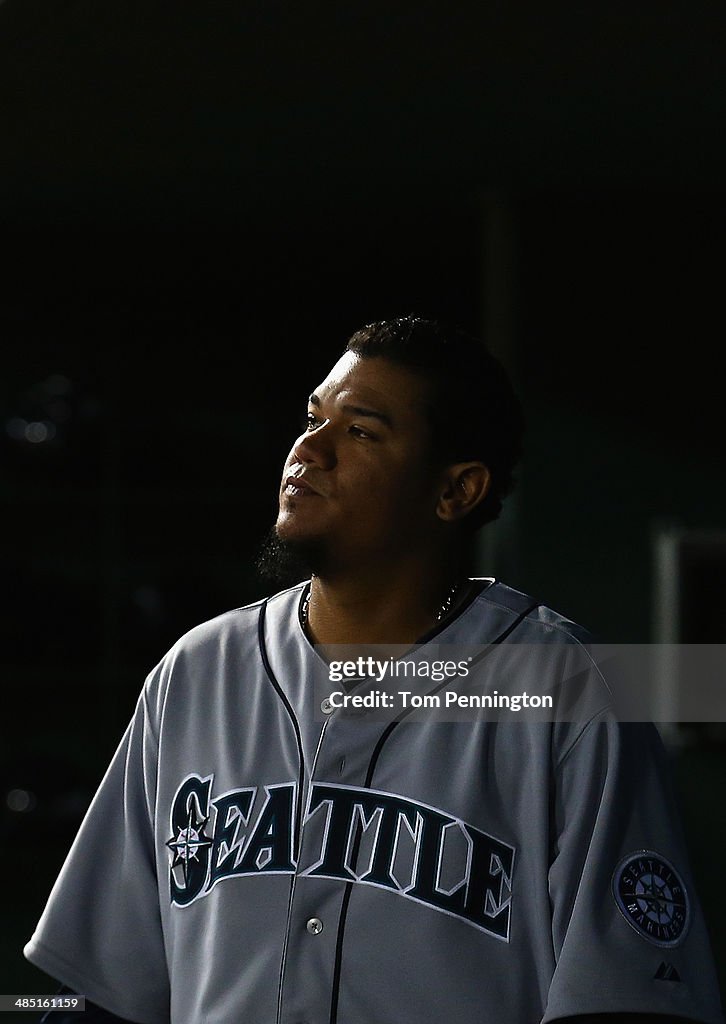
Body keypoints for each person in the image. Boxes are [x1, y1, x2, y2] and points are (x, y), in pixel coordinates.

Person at [25, 317, 723, 1024]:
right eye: (312, 417)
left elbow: (629, 999)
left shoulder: (574, 688)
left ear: (456, 491)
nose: (308, 449)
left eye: (360, 431)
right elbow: (101, 991)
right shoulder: (195, 673)